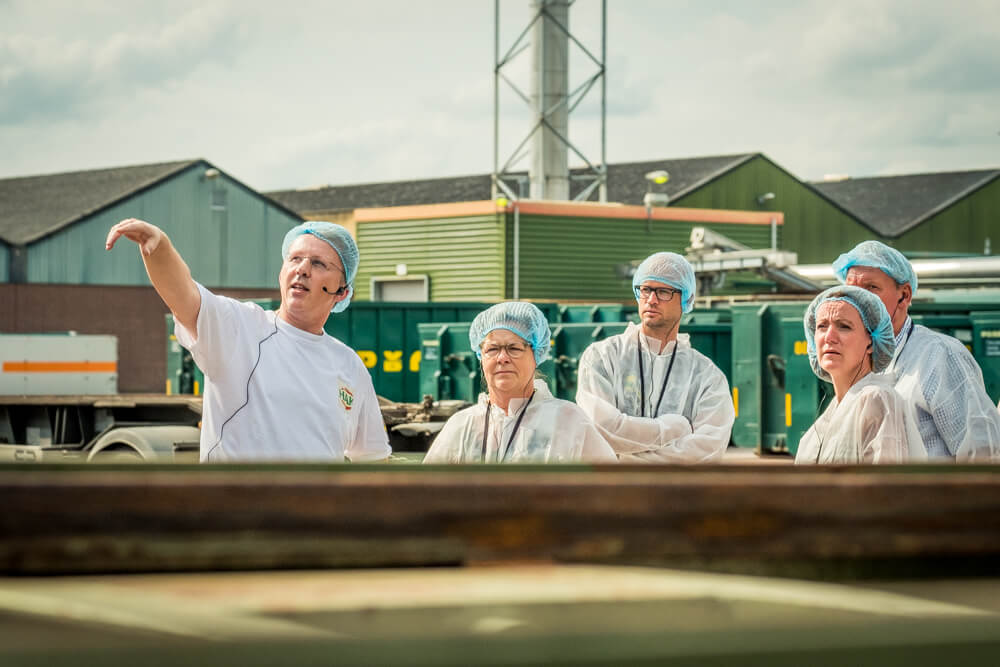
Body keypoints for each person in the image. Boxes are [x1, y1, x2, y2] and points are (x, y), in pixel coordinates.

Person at [106, 218, 390, 463]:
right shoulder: (242, 328)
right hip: (235, 521)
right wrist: (160, 248)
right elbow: (185, 297)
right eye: (294, 259)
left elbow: (374, 458)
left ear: (341, 292)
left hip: (310, 524)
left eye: (318, 263)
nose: (302, 269)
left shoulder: (349, 366)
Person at [834, 241, 1000, 461]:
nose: (858, 300)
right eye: (852, 290)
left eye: (871, 288)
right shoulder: (858, 362)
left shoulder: (939, 356)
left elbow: (982, 454)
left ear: (904, 295)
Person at [575, 252, 734, 462]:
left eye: (663, 292)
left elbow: (708, 450)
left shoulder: (706, 376)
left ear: (687, 299)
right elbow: (601, 429)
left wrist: (625, 457)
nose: (651, 299)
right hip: (611, 492)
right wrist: (672, 429)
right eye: (645, 289)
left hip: (677, 494)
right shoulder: (602, 357)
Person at [423, 302, 617, 464]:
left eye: (514, 348)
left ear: (537, 354)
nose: (502, 358)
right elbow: (426, 492)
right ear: (480, 357)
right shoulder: (463, 424)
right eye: (492, 349)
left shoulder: (567, 421)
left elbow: (611, 489)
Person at [796, 286, 926, 464]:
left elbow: (883, 487)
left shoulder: (876, 399)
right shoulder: (822, 424)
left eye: (844, 326)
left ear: (871, 342)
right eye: (822, 326)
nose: (829, 337)